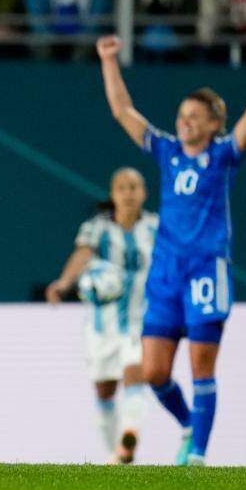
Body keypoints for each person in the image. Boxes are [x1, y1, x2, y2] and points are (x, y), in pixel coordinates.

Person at [96, 33, 246, 465]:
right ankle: (188, 425)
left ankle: (197, 453)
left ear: (215, 123)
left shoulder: (223, 156)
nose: (185, 122)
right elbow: (123, 111)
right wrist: (108, 60)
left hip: (205, 271)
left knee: (201, 366)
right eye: (182, 115)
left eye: (196, 116)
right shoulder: (167, 152)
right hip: (165, 274)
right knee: (154, 372)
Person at [46, 168, 158, 464]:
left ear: (144, 193)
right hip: (102, 324)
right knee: (105, 390)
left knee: (135, 372)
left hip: (141, 319)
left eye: (134, 186)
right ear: (113, 194)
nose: (129, 193)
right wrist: (63, 283)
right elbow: (82, 255)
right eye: (122, 187)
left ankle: (129, 434)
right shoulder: (97, 228)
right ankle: (117, 455)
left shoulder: (156, 228)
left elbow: (172, 262)